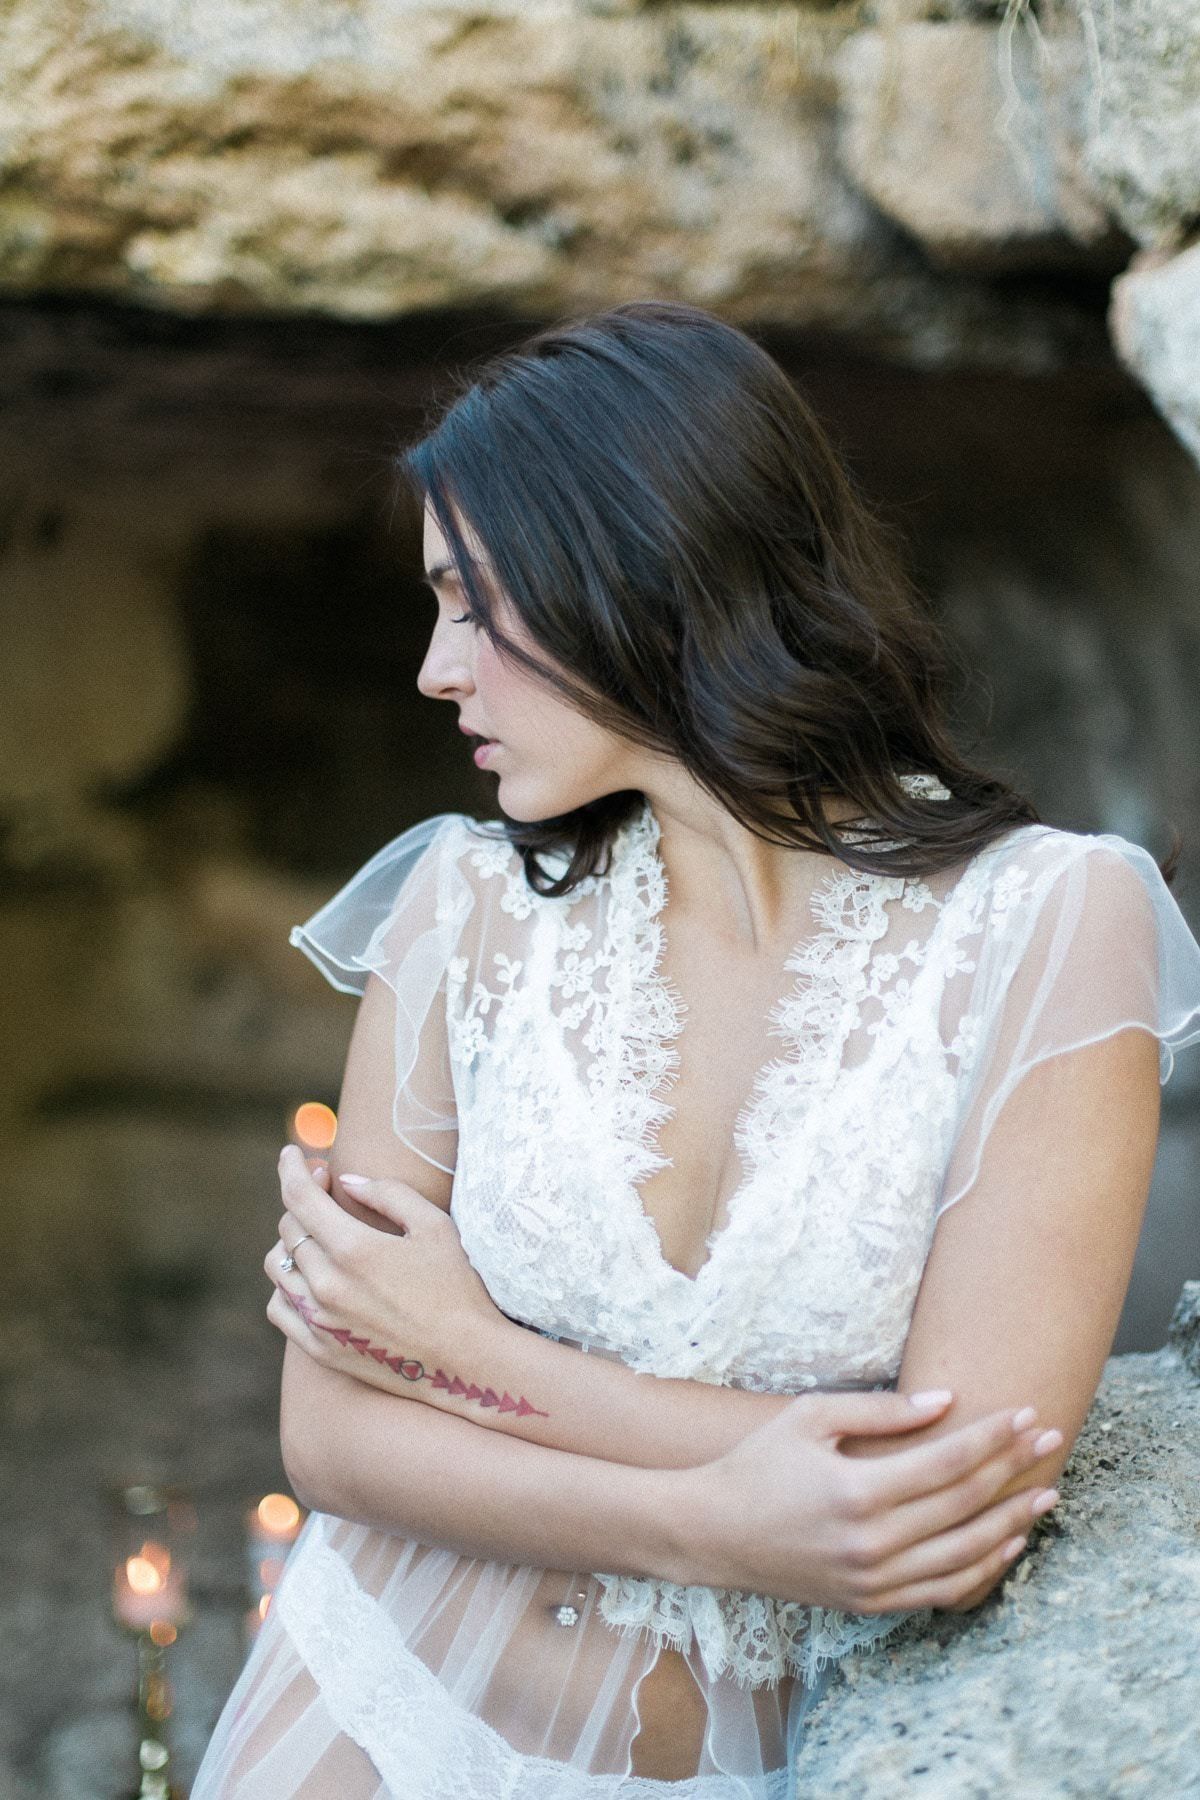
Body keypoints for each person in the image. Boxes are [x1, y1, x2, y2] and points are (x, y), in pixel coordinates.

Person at [190, 302, 1200, 1797]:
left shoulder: (1055, 925)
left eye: (470, 602)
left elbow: (964, 1483)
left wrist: (466, 1356)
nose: (433, 668)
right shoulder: (459, 914)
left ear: (634, 564)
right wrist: (727, 1521)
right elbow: (333, 1434)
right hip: (363, 1713)